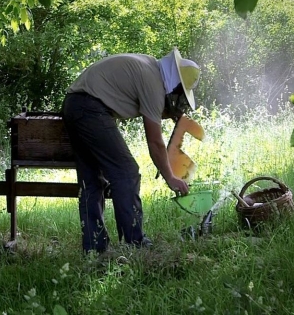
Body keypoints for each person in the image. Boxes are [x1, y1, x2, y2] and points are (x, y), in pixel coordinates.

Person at [61, 48, 201, 253]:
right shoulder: (154, 84)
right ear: (176, 85)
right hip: (91, 110)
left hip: (75, 105)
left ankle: (94, 249)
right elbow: (155, 142)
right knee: (126, 173)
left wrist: (168, 112)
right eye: (179, 94)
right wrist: (170, 177)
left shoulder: (150, 67)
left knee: (91, 180)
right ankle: (134, 244)